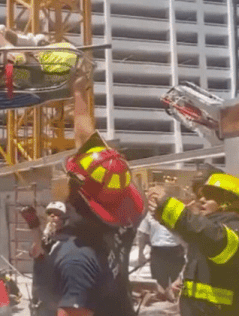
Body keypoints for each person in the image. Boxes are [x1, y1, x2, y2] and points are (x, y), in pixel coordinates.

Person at [30, 71, 146, 316]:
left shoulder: (77, 258)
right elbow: (85, 137)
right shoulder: (125, 221)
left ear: (78, 195)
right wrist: (78, 93)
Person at [148, 170, 239, 315]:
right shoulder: (212, 227)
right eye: (201, 196)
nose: (202, 200)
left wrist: (168, 207)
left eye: (209, 196)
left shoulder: (234, 228)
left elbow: (208, 235)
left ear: (229, 201)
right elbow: (198, 241)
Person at [137, 186, 186, 303]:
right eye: (150, 195)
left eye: (156, 195)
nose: (152, 198)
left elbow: (186, 234)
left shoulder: (177, 212)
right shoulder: (148, 215)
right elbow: (142, 234)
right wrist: (140, 253)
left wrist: (188, 254)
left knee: (176, 284)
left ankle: (174, 305)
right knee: (160, 285)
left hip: (176, 251)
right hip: (158, 252)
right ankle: (163, 306)